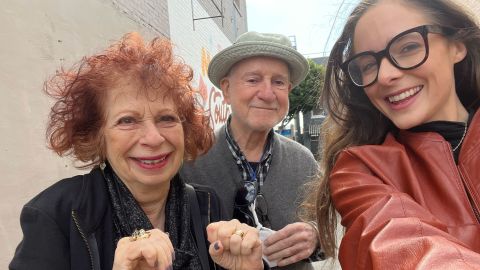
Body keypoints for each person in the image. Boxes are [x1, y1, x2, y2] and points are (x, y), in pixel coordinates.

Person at [9, 32, 264, 270]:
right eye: (127, 120)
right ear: (98, 135)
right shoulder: (56, 215)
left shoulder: (206, 205)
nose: (153, 138)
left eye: (166, 118)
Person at [309, 0, 480, 269]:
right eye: (367, 65)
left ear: (457, 46)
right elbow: (400, 249)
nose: (385, 75)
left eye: (409, 47)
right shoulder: (361, 170)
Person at [180, 31, 322, 270]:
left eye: (278, 82)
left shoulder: (303, 161)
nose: (267, 94)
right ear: (226, 89)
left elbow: (329, 225)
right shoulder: (191, 163)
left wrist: (315, 237)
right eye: (253, 80)